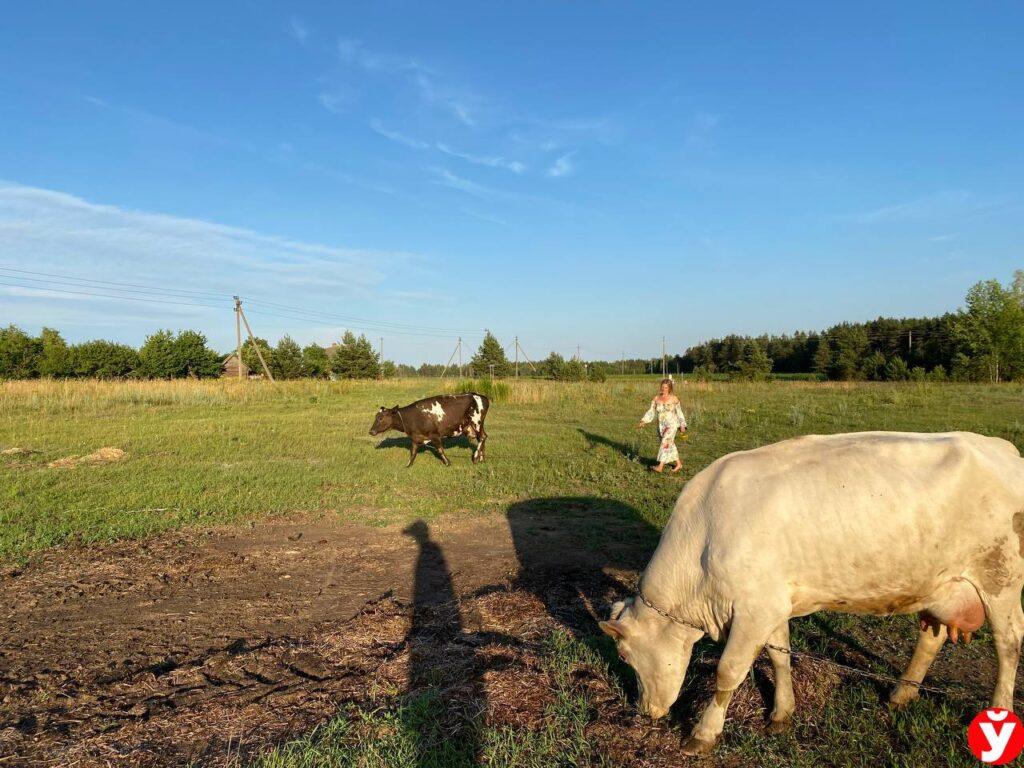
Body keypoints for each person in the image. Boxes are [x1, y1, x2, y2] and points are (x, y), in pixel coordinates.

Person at [638, 378, 687, 473]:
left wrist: (682, 424)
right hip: (661, 426)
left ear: (669, 388)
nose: (664, 389)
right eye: (662, 387)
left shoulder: (674, 399)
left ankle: (660, 466)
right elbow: (651, 411)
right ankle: (679, 464)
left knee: (665, 443)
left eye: (666, 387)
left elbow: (679, 412)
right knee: (669, 444)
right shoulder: (656, 398)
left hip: (672, 424)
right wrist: (644, 421)